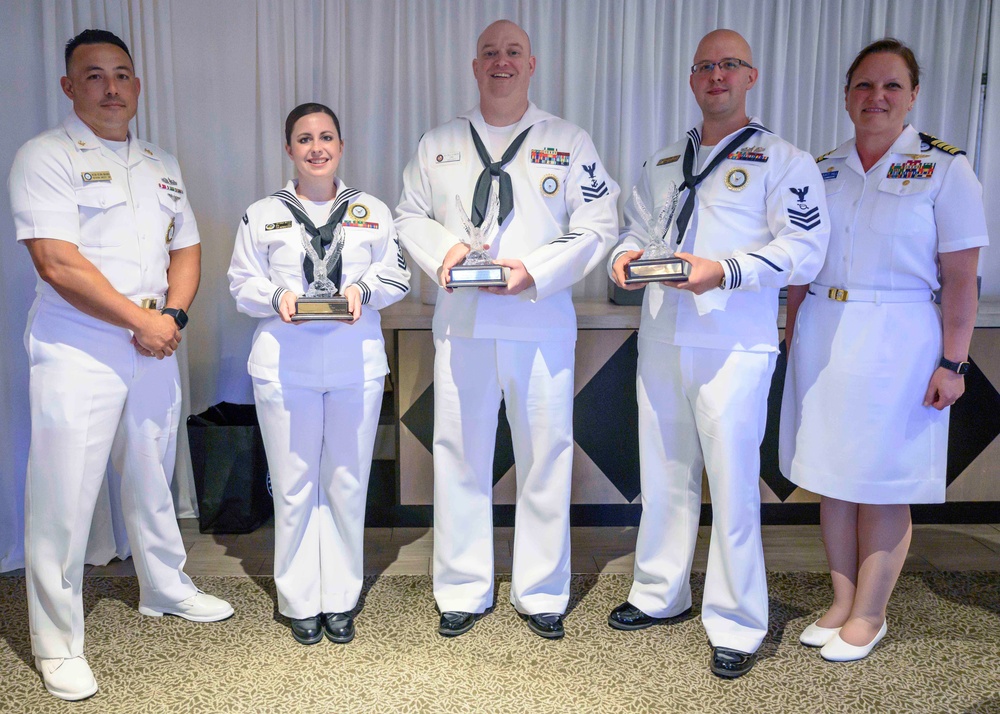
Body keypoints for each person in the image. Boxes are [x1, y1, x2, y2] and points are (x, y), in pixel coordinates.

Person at [7, 29, 233, 701]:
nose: (112, 87)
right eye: (95, 75)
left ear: (137, 85)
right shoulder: (44, 156)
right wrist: (144, 322)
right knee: (64, 496)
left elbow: (186, 249)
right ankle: (58, 643)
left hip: (154, 340)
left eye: (123, 74)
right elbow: (56, 261)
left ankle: (164, 587)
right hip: (80, 346)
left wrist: (174, 319)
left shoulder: (160, 162)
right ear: (69, 86)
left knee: (151, 472)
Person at [607, 29, 830, 678]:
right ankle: (659, 594)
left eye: (729, 65)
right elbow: (636, 229)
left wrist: (725, 270)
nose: (716, 76)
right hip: (660, 336)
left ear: (751, 76)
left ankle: (736, 623)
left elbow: (805, 251)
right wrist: (623, 255)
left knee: (732, 487)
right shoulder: (661, 162)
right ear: (692, 78)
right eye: (705, 66)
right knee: (664, 474)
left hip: (733, 344)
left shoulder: (783, 161)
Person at [395, 19, 619, 639]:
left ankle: (542, 592)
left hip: (539, 320)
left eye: (512, 52)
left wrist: (536, 269)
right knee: (460, 454)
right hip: (463, 322)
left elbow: (600, 222)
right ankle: (463, 588)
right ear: (474, 65)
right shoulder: (439, 141)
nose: (501, 62)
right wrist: (445, 255)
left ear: (532, 63)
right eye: (490, 53)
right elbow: (407, 214)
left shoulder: (568, 140)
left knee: (544, 457)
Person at [779, 38, 988, 662]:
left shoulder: (946, 168)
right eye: (864, 86)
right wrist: (793, 333)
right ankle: (841, 603)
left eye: (891, 86)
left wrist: (953, 362)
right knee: (832, 478)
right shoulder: (820, 169)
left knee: (883, 481)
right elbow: (799, 263)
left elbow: (960, 278)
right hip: (824, 328)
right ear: (846, 96)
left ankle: (871, 612)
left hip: (900, 337)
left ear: (914, 94)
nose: (877, 97)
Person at [229, 103, 410, 646]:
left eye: (326, 137)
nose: (316, 147)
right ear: (289, 149)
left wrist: (364, 290)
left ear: (341, 145)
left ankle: (340, 598)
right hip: (285, 366)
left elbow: (396, 274)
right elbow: (241, 283)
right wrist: (276, 295)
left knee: (347, 481)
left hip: (355, 363)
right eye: (304, 138)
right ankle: (300, 599)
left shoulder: (373, 211)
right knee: (293, 485)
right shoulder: (261, 213)